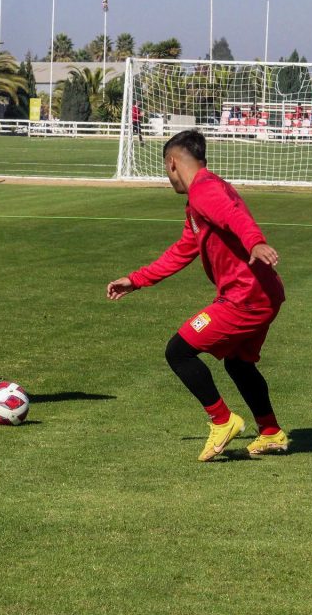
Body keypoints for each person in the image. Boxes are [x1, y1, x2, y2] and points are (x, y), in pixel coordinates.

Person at [106, 130, 287, 462]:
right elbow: (184, 249)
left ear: (172, 163)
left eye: (165, 169)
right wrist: (137, 279)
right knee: (238, 363)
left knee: (179, 352)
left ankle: (222, 420)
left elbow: (237, 218)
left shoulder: (204, 190)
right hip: (264, 292)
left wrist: (255, 241)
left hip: (245, 296)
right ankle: (271, 432)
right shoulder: (203, 194)